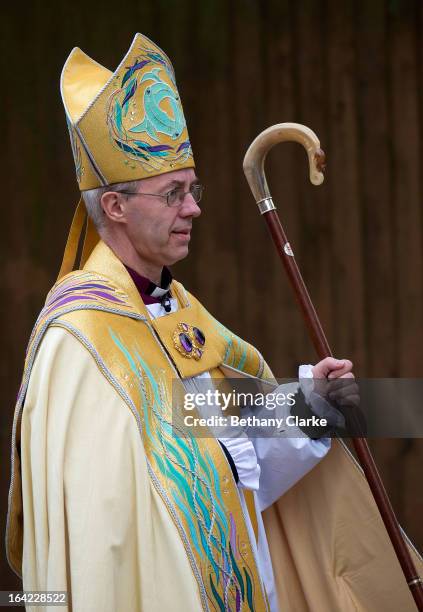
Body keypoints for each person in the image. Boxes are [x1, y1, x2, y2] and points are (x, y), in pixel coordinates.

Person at [6, 34, 421, 612]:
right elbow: (107, 535)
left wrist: (308, 407)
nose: (194, 207)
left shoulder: (178, 315)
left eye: (192, 189)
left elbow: (234, 470)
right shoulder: (81, 340)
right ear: (117, 207)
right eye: (173, 193)